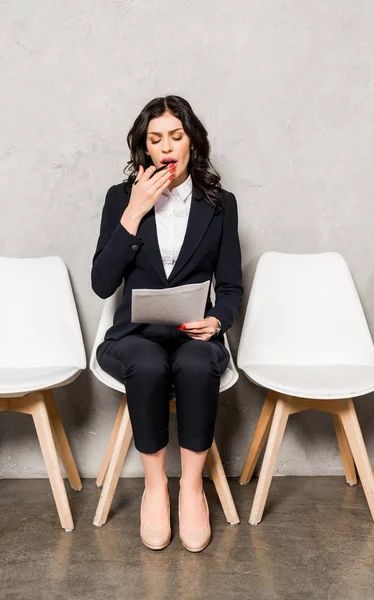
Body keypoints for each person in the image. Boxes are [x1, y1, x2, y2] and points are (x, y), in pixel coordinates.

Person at [91, 95, 243, 552]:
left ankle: (192, 489)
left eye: (176, 136)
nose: (167, 146)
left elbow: (232, 287)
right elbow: (102, 283)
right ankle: (156, 488)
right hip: (133, 338)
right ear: (144, 149)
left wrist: (217, 320)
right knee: (148, 363)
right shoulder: (120, 199)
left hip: (193, 335)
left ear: (192, 143)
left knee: (198, 365)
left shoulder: (221, 204)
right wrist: (135, 210)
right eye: (156, 139)